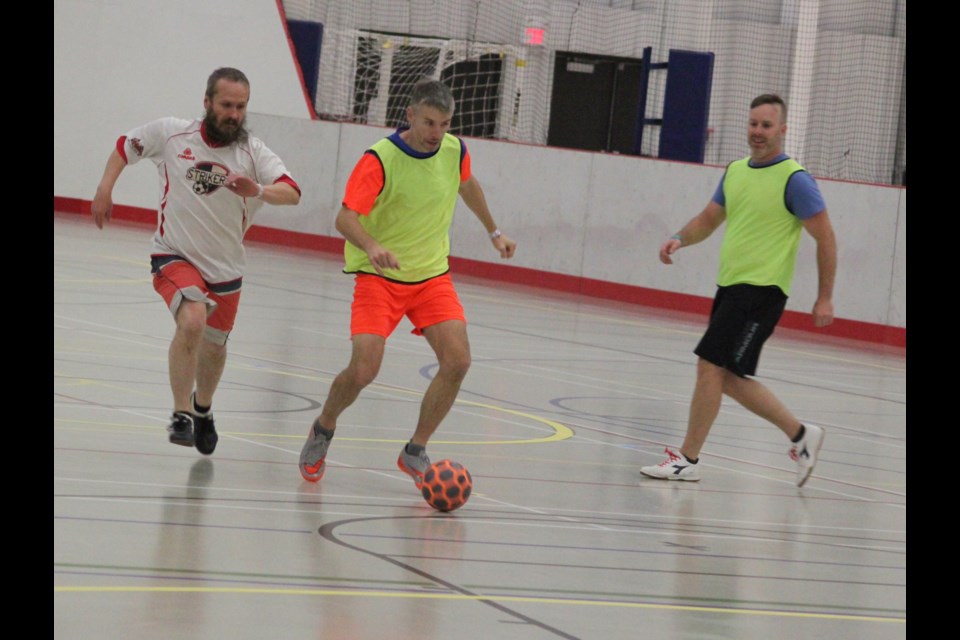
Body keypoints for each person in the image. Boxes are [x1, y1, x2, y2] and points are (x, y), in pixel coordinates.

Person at [298, 79, 517, 488]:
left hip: (431, 275)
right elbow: (345, 219)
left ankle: (415, 449)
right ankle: (323, 428)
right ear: (410, 115)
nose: (437, 133)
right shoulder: (380, 159)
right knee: (363, 370)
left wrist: (494, 231)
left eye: (446, 124)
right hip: (379, 277)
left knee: (458, 361)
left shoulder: (454, 150)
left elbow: (467, 185)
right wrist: (372, 245)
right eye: (430, 123)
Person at [91, 67, 301, 455]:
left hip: (225, 268)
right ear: (207, 103)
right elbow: (125, 145)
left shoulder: (252, 152)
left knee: (214, 348)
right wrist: (105, 188)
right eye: (226, 105)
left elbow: (291, 192)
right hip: (173, 254)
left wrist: (258, 189)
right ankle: (181, 413)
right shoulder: (173, 134)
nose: (234, 114)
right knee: (192, 321)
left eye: (241, 106)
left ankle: (203, 408)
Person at [640, 93, 837, 487]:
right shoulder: (735, 171)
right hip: (730, 287)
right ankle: (801, 435)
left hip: (762, 291)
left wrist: (824, 295)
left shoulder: (795, 180)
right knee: (723, 376)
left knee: (708, 365)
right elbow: (709, 219)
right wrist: (680, 238)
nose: (758, 132)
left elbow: (826, 238)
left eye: (766, 126)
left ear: (782, 130)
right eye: (753, 124)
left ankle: (688, 459)